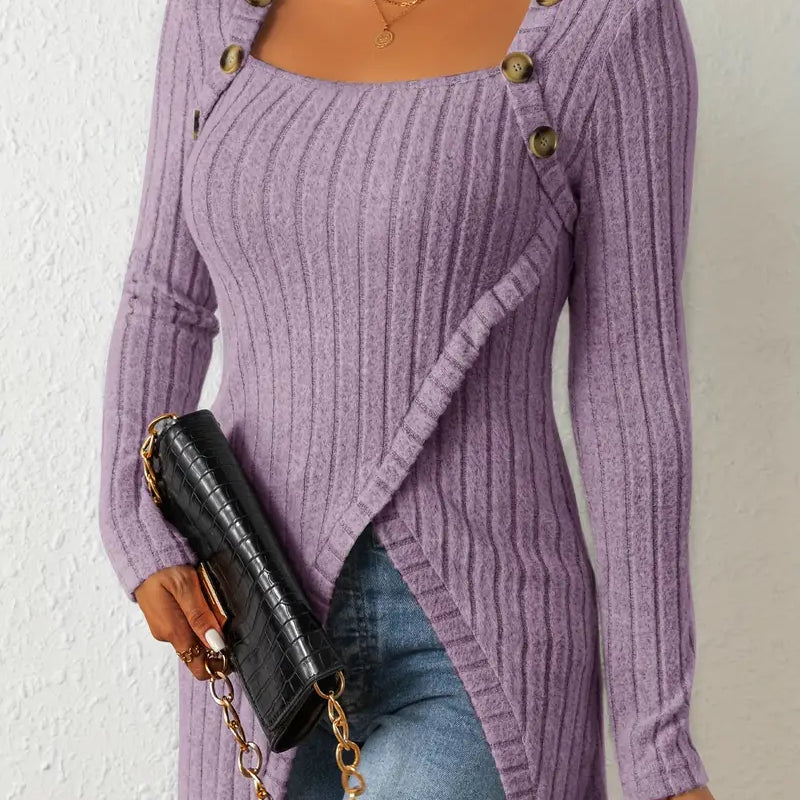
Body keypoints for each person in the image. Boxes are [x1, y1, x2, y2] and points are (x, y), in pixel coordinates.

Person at [98, 0, 716, 798]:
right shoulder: (213, 16)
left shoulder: (611, 24)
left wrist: (658, 749)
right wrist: (136, 526)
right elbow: (167, 300)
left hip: (479, 645)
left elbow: (628, 388)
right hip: (256, 631)